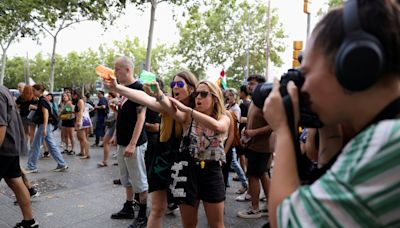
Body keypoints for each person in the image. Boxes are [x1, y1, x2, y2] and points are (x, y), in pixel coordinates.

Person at [264, 0, 400, 227]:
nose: (302, 88)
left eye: (305, 72)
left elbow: (286, 220)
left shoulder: (388, 141)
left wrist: (284, 129)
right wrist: (327, 126)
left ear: (353, 63)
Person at [104, 70, 199, 227]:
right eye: (173, 84)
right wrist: (118, 87)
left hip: (185, 164)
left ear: (191, 87)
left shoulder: (194, 109)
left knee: (188, 218)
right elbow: (144, 99)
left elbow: (180, 116)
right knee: (156, 210)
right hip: (163, 159)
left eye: (180, 84)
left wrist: (159, 95)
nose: (175, 87)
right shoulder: (167, 103)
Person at [167, 80, 230, 228]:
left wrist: (189, 110)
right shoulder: (188, 117)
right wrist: (158, 95)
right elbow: (163, 106)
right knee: (188, 224)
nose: (198, 98)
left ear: (214, 98)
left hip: (212, 172)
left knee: (217, 225)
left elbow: (218, 127)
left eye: (203, 94)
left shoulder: (224, 117)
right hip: (188, 171)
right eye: (196, 94)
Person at [108, 56, 149, 228]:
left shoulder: (139, 88)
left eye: (117, 69)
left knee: (139, 179)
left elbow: (141, 117)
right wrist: (116, 134)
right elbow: (125, 116)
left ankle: (142, 214)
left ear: (127, 69)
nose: (114, 72)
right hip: (123, 141)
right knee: (126, 178)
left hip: (135, 143)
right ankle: (128, 206)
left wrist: (133, 143)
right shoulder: (123, 88)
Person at [0, 84, 39, 228]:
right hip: (10, 147)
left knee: (16, 182)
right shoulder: (4, 89)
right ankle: (30, 221)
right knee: (16, 182)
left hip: (3, 149)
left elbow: (1, 126)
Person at [237, 75, 271, 219]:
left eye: (252, 84)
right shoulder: (254, 102)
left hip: (261, 146)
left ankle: (254, 209)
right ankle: (270, 206)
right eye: (249, 84)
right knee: (262, 175)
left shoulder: (265, 102)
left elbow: (273, 125)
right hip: (252, 144)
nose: (249, 86)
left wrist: (253, 132)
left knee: (253, 176)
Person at [25, 84, 68, 173]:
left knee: (35, 145)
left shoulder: (42, 100)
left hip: (44, 125)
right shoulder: (43, 99)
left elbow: (46, 114)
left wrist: (44, 128)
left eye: (34, 90)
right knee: (51, 146)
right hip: (46, 125)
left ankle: (31, 166)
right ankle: (62, 164)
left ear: (39, 91)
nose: (32, 92)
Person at [98, 92, 119, 167]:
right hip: (111, 125)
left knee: (105, 142)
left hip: (114, 125)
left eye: (109, 96)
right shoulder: (111, 105)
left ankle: (105, 161)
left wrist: (114, 135)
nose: (108, 98)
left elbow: (117, 119)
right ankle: (117, 160)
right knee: (116, 144)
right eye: (108, 96)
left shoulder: (115, 103)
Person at [72, 90, 92, 159]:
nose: (72, 96)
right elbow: (77, 112)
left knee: (83, 138)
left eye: (73, 95)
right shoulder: (78, 101)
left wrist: (78, 121)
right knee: (80, 137)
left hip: (82, 120)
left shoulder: (80, 101)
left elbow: (80, 112)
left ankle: (86, 154)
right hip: (81, 119)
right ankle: (82, 152)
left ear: (76, 95)